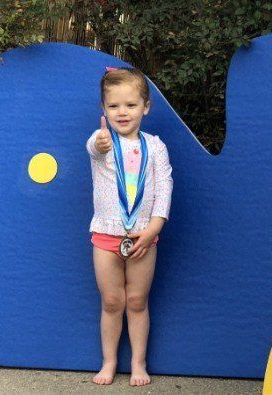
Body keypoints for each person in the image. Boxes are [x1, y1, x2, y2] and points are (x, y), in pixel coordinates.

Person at [86, 67, 173, 386]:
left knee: (137, 301)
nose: (122, 112)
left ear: (146, 106)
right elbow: (94, 149)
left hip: (144, 239)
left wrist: (153, 228)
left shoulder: (156, 147)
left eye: (131, 105)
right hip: (106, 239)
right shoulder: (101, 141)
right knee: (111, 301)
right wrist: (100, 143)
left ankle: (138, 363)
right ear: (104, 109)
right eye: (113, 106)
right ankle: (109, 362)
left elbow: (165, 186)